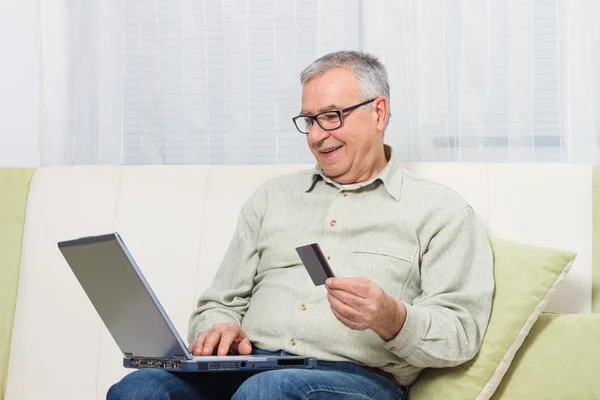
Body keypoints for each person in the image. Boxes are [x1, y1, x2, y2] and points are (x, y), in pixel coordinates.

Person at [107, 51, 494, 400]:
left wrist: (392, 317)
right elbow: (218, 302)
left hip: (355, 380)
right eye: (309, 120)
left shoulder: (441, 211)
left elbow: (461, 333)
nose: (315, 136)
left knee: (269, 391)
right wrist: (219, 328)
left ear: (378, 112)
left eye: (331, 117)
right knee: (139, 388)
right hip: (248, 369)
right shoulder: (272, 198)